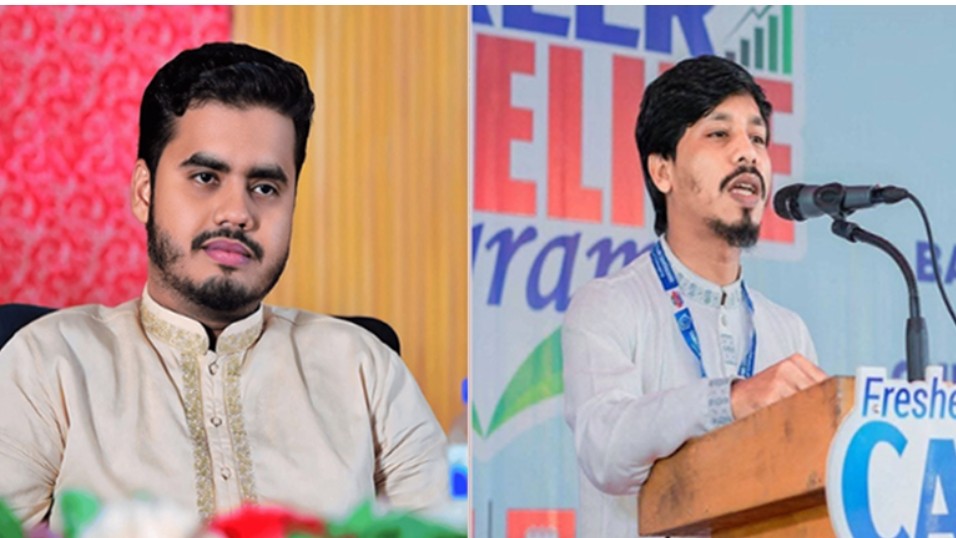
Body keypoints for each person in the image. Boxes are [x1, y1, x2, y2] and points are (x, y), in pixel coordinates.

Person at [0, 42, 448, 530]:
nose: (237, 213)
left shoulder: (364, 369)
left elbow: (442, 526)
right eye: (205, 177)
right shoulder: (48, 363)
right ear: (145, 192)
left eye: (265, 188)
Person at [561, 55, 828, 537]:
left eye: (758, 138)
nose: (747, 154)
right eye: (719, 134)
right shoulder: (608, 305)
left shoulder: (787, 332)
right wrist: (730, 399)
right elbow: (606, 450)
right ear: (662, 171)